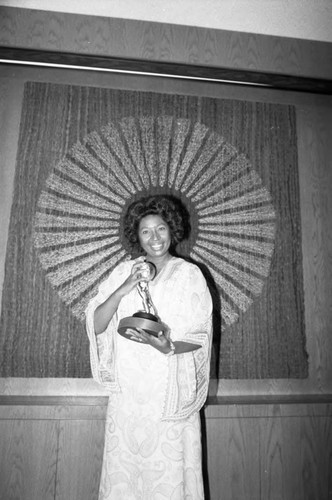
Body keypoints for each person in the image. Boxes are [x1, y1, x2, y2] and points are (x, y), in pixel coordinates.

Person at [85, 194, 213, 500]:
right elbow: (96, 324)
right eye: (146, 231)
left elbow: (199, 339)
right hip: (129, 402)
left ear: (172, 231)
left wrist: (163, 345)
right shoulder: (122, 271)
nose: (154, 238)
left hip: (167, 399)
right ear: (136, 236)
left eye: (161, 229)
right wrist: (124, 287)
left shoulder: (189, 275)